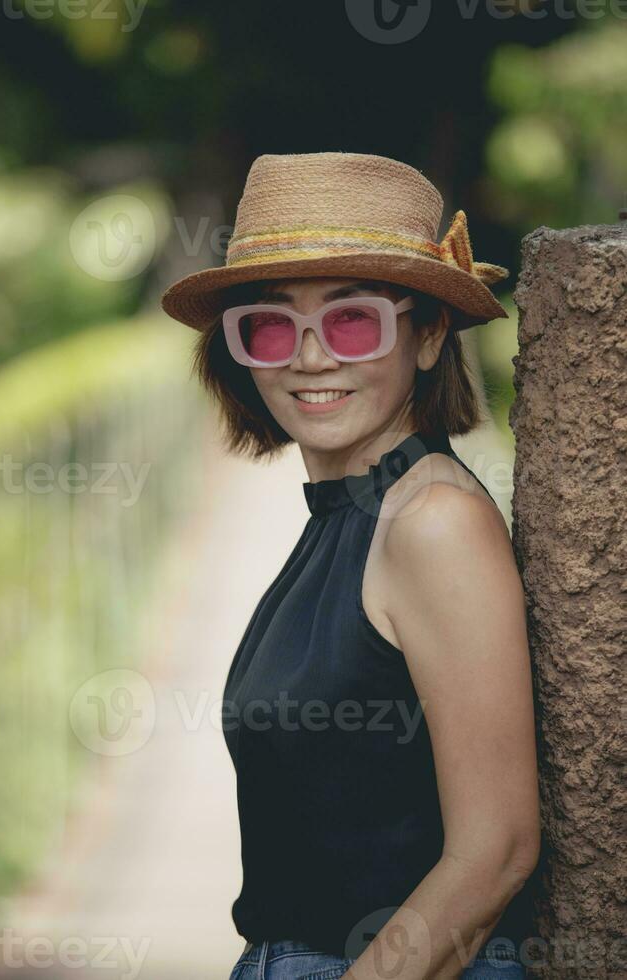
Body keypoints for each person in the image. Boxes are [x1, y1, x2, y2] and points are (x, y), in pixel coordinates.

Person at [161, 152, 541, 980]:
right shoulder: (350, 518)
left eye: (352, 320)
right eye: (268, 324)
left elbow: (498, 849)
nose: (308, 357)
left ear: (430, 333)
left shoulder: (432, 521)